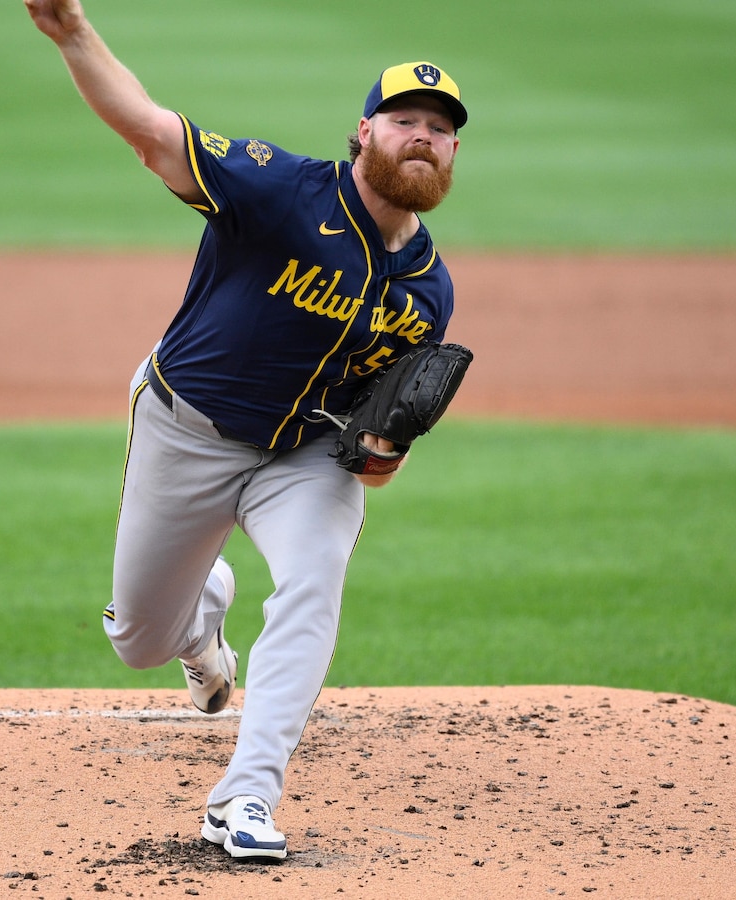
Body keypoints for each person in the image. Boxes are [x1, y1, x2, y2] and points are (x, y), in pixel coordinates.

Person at [24, 0, 466, 861]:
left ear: (453, 154)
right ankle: (201, 618)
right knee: (139, 641)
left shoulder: (429, 291)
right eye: (404, 120)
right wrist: (73, 33)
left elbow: (382, 424)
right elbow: (153, 134)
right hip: (188, 428)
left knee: (313, 579)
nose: (422, 136)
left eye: (440, 128)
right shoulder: (280, 189)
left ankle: (246, 797)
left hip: (303, 457)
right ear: (364, 134)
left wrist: (385, 456)